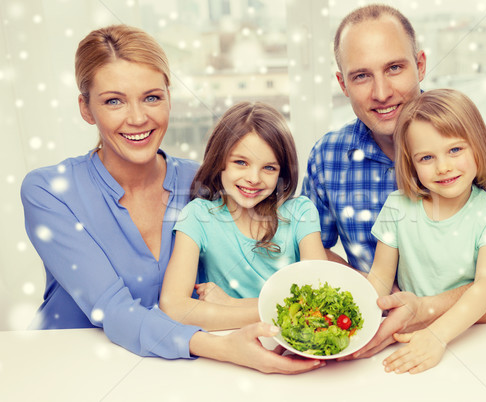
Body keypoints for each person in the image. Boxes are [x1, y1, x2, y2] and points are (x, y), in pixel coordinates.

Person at [21, 24, 323, 374]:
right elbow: (113, 309)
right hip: (63, 365)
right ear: (86, 108)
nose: (137, 118)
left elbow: (276, 230)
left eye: (152, 97)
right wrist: (226, 346)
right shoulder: (48, 191)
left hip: (172, 372)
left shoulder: (204, 182)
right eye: (113, 101)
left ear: (168, 97)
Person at [301, 4, 486, 356]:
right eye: (361, 76)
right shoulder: (327, 158)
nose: (381, 92)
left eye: (394, 68)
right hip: (375, 347)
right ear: (342, 84)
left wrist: (424, 312)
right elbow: (308, 252)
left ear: (420, 65)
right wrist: (371, 307)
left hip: (481, 343)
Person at [367, 88, 486, 374]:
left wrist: (437, 336)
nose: (443, 167)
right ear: (411, 164)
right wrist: (359, 320)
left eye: (455, 150)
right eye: (426, 158)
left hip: (468, 335)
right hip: (408, 336)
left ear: (478, 146)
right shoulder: (397, 206)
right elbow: (380, 277)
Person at [159, 101, 327, 330]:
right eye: (241, 162)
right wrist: (283, 313)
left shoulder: (301, 213)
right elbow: (174, 307)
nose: (254, 178)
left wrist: (232, 304)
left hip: (291, 343)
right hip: (229, 345)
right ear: (219, 162)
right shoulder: (198, 216)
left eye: (269, 168)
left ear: (282, 172)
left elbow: (318, 301)